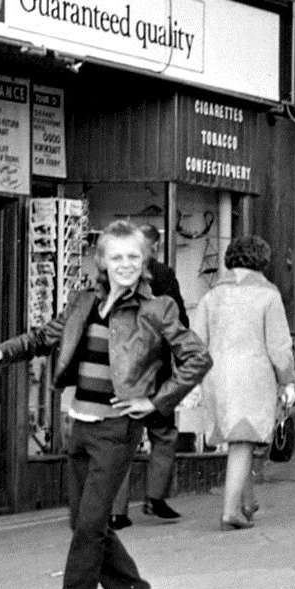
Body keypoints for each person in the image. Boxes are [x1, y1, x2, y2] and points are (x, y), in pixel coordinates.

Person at [0, 218, 210, 589]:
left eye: (134, 256)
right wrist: (3, 350)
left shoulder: (157, 308)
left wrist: (155, 401)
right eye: (117, 257)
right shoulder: (83, 302)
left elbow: (198, 357)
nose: (126, 264)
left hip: (117, 429)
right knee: (84, 522)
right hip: (78, 424)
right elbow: (44, 337)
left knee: (90, 527)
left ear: (145, 260)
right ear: (102, 261)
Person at [192, 235, 295, 531]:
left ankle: (247, 502)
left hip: (216, 375)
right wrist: (288, 381)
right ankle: (230, 512)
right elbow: (279, 345)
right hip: (252, 374)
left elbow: (195, 342)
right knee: (243, 439)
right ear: (263, 260)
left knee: (239, 439)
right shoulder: (267, 295)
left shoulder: (212, 296)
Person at [111, 224, 188, 529]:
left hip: (120, 367)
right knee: (163, 433)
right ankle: (155, 498)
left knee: (122, 438)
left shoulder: (111, 273)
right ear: (154, 247)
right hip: (155, 367)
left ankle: (117, 511)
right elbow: (178, 319)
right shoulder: (162, 274)